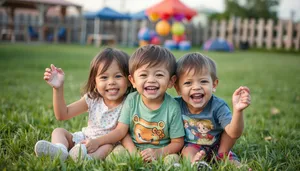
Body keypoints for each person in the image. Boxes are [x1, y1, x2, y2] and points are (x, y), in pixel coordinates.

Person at [82, 45, 185, 164]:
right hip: (132, 149)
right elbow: (121, 132)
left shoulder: (173, 107)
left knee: (173, 160)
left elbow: (178, 142)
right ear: (133, 81)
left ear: (171, 81)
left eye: (159, 75)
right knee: (116, 156)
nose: (151, 80)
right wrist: (133, 153)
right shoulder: (131, 100)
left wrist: (159, 153)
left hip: (162, 152)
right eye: (143, 75)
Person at [34, 48, 132, 162]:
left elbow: (120, 132)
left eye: (118, 76)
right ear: (95, 82)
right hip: (84, 138)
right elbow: (62, 115)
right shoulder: (92, 99)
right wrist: (58, 88)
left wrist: (97, 142)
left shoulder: (129, 102)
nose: (111, 82)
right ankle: (60, 151)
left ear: (129, 80)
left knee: (108, 147)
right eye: (104, 77)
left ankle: (87, 159)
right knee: (58, 131)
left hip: (105, 142)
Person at [174, 52, 251, 168]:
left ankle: (231, 162)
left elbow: (234, 133)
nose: (196, 87)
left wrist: (238, 111)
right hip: (193, 146)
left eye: (203, 81)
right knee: (187, 152)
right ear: (178, 88)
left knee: (228, 151)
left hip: (218, 146)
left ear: (214, 85)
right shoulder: (176, 105)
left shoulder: (218, 106)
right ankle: (197, 163)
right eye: (188, 83)